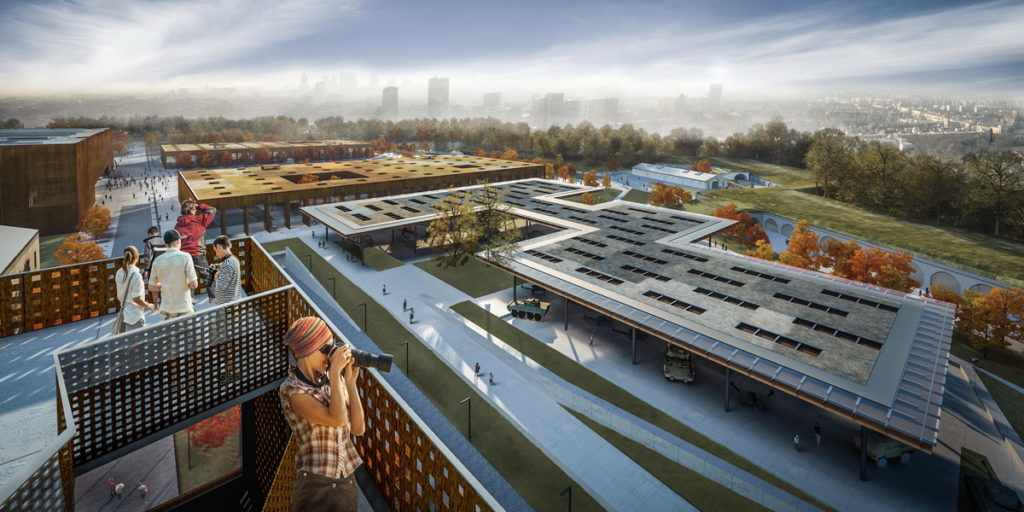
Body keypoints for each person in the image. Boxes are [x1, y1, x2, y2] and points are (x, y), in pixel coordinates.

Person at [279, 317, 365, 512]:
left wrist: (350, 384)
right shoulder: (293, 390)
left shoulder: (331, 381)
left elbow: (358, 429)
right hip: (316, 484)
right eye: (326, 349)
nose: (330, 355)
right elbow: (338, 420)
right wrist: (335, 374)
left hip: (346, 480)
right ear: (307, 351)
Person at [148, 229, 198, 320]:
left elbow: (151, 287)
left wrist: (163, 285)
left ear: (166, 244)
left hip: (166, 310)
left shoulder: (157, 261)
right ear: (179, 241)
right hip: (184, 308)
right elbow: (194, 285)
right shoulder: (186, 257)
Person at [174, 199, 217, 290]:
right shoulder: (198, 220)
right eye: (194, 209)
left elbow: (176, 243)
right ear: (191, 209)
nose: (196, 210)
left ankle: (190, 302)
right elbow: (212, 210)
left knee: (189, 280)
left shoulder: (177, 225)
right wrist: (198, 205)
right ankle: (216, 298)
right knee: (208, 278)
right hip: (197, 253)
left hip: (184, 257)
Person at [114, 246, 158, 333]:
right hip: (135, 317)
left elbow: (119, 295)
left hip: (124, 315)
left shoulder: (119, 272)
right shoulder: (136, 276)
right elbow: (136, 298)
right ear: (137, 257)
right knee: (139, 344)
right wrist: (149, 305)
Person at [211, 235, 243, 305]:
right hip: (234, 300)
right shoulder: (234, 259)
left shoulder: (227, 264)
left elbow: (220, 287)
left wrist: (215, 276)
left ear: (219, 247)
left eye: (215, 250)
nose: (216, 254)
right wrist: (219, 266)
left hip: (226, 305)